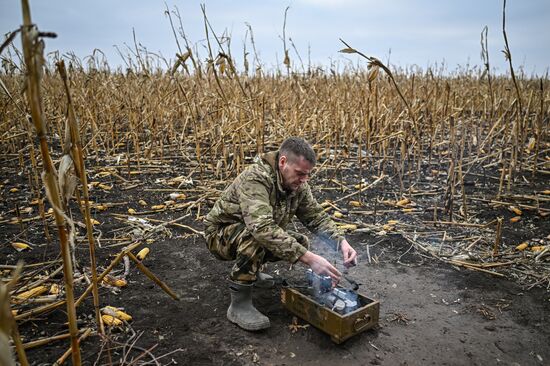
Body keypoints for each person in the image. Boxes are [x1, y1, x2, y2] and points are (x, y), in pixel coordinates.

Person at [203, 137, 357, 330]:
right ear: (283, 162)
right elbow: (261, 228)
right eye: (300, 173)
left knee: (299, 241)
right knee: (258, 237)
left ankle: (253, 273)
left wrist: (340, 242)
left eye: (307, 175)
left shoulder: (298, 184)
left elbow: (314, 216)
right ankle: (239, 305)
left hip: (247, 231)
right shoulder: (256, 178)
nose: (304, 180)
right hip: (219, 235)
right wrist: (310, 259)